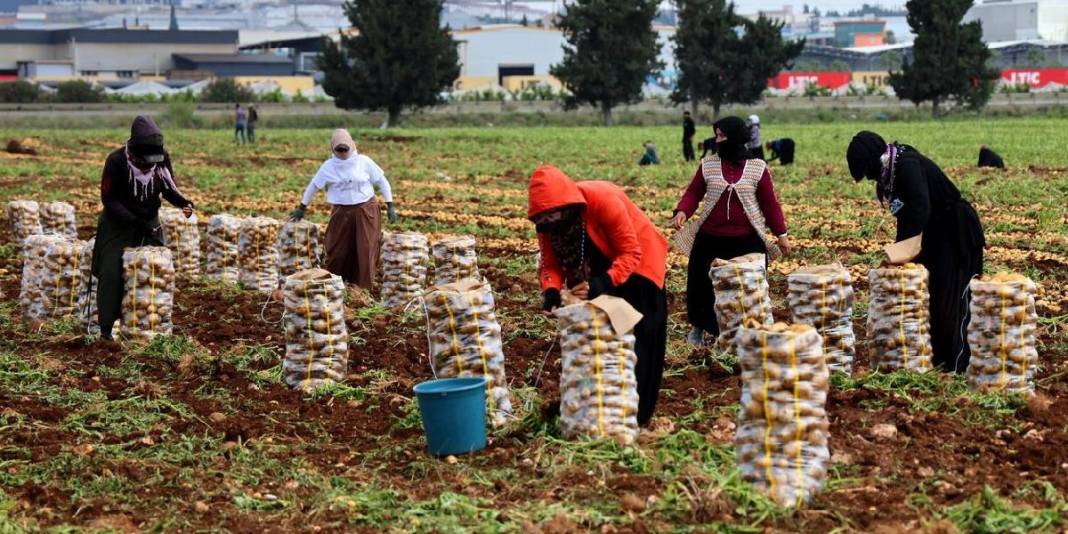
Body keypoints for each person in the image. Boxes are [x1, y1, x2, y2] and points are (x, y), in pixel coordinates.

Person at [528, 164, 668, 427]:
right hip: (597, 267)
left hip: (639, 268)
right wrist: (551, 291)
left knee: (640, 339)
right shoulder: (548, 223)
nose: (552, 230)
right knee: (601, 339)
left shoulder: (603, 200)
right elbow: (550, 264)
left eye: (557, 221)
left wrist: (602, 283)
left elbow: (630, 252)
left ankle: (635, 417)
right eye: (545, 224)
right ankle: (597, 410)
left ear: (569, 208)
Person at [847, 131, 985, 373]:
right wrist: (899, 252)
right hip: (935, 235)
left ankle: (959, 364)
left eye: (868, 172)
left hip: (955, 232)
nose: (871, 178)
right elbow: (905, 217)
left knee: (953, 299)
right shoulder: (892, 173)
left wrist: (903, 251)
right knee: (933, 296)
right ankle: (940, 361)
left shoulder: (906, 165)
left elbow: (920, 210)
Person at [671, 116, 791, 347]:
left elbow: (770, 204)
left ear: (735, 137)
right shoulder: (708, 164)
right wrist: (682, 211)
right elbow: (694, 193)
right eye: (716, 135)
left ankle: (749, 329)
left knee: (748, 287)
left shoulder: (757, 168)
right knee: (700, 284)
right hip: (710, 238)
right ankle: (700, 327)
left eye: (721, 136)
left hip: (746, 240)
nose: (717, 140)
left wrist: (781, 235)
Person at [92, 115, 194, 341]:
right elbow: (108, 199)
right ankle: (106, 330)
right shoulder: (116, 161)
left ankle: (151, 328)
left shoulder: (161, 158)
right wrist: (133, 221)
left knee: (156, 271)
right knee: (111, 272)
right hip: (118, 222)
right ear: (135, 150)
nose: (150, 164)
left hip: (148, 220)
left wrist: (184, 203)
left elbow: (168, 188)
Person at [289, 129, 397, 290]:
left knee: (365, 248)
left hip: (365, 209)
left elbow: (382, 181)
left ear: (352, 146)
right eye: (339, 149)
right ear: (333, 149)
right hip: (341, 212)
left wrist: (390, 205)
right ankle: (336, 286)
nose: (343, 153)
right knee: (338, 249)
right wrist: (302, 207)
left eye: (345, 149)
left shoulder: (364, 162)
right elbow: (313, 186)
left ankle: (362, 288)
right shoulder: (329, 166)